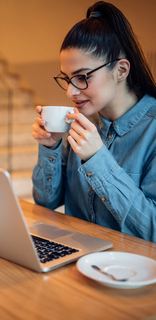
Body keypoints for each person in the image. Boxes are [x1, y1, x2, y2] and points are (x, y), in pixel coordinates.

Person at [32, 1, 156, 243]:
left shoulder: (151, 130)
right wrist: (51, 147)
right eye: (67, 79)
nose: (70, 92)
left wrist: (97, 160)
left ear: (121, 70)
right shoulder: (82, 124)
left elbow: (152, 230)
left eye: (82, 77)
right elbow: (46, 201)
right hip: (75, 259)